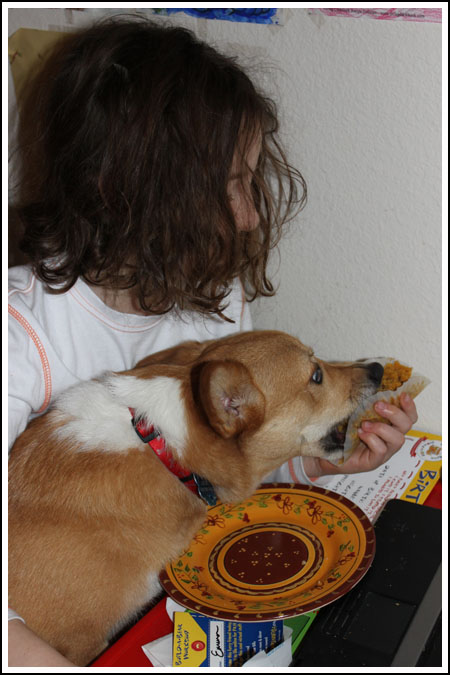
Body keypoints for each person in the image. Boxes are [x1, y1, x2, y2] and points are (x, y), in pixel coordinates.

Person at [8, 17, 418, 667]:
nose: (254, 214)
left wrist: (316, 459)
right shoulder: (18, 339)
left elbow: (224, 454)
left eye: (252, 181)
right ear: (128, 189)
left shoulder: (213, 296)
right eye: (232, 184)